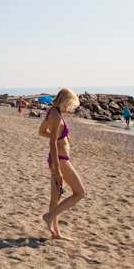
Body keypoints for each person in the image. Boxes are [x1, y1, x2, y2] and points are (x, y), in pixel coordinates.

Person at [38, 88, 86, 239]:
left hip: (57, 159)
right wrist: (57, 169)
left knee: (56, 197)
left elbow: (41, 131)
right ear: (66, 101)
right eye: (71, 104)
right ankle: (49, 216)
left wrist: (59, 138)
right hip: (60, 160)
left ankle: (56, 233)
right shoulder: (56, 116)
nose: (71, 107)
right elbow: (52, 143)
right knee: (80, 193)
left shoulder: (52, 112)